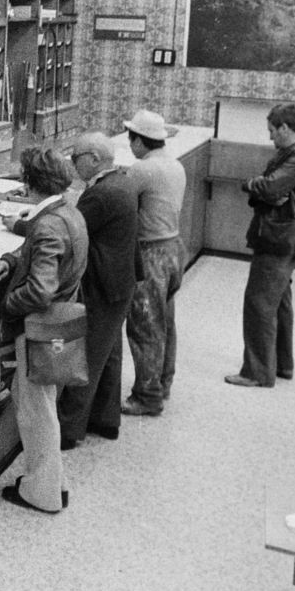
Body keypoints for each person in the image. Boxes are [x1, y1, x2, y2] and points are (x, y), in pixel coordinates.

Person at [0, 148, 88, 514]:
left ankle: (42, 493)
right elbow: (41, 254)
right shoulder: (69, 213)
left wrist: (7, 304)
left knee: (36, 413)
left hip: (37, 329)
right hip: (59, 326)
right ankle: (51, 484)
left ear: (30, 184)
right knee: (44, 408)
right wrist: (12, 261)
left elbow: (40, 288)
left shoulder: (48, 224)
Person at [226, 103, 295, 388]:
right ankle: (282, 364)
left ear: (285, 127)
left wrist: (251, 185)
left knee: (258, 302)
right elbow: (272, 189)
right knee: (279, 300)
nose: (270, 137)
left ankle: (256, 372)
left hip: (280, 237)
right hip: (285, 234)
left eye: (272, 130)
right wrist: (267, 190)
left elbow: (270, 187)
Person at [56, 132, 137, 449]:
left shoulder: (102, 195)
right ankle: (105, 420)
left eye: (75, 158)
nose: (73, 165)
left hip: (103, 287)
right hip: (119, 284)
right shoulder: (121, 181)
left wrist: (20, 224)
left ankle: (68, 431)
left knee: (87, 358)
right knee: (108, 355)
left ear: (93, 159)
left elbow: (68, 230)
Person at [119, 109, 187, 417]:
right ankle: (163, 382)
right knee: (165, 322)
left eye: (131, 138)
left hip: (150, 254)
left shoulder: (142, 169)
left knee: (144, 326)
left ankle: (147, 396)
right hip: (173, 248)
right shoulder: (174, 166)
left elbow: (120, 204)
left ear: (139, 141)